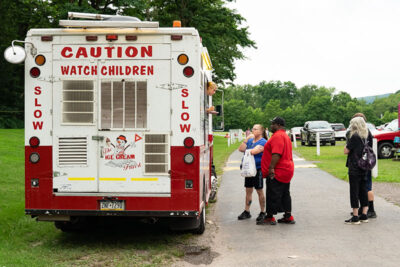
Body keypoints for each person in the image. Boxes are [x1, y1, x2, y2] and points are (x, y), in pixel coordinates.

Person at [259, 116, 295, 225]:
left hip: (279, 170)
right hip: (287, 169)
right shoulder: (284, 135)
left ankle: (270, 217)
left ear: (278, 125)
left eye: (273, 124)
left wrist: (271, 168)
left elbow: (276, 154)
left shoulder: (278, 136)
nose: (271, 126)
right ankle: (288, 216)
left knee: (272, 193)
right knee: (285, 193)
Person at [344, 116, 372, 224]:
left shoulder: (354, 136)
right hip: (364, 166)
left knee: (354, 191)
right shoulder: (366, 135)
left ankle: (355, 216)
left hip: (355, 166)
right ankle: (364, 214)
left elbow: (346, 151)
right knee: (363, 190)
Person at [237, 124, 268, 223]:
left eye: (255, 129)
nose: (253, 130)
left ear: (261, 131)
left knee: (259, 190)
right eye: (252, 129)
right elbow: (241, 149)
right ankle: (247, 211)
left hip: (257, 169)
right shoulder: (250, 140)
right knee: (248, 190)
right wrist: (246, 139)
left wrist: (249, 148)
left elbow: (254, 152)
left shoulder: (263, 142)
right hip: (248, 169)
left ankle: (263, 212)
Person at [349, 113, 377, 218]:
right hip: (367, 162)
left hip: (359, 163)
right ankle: (364, 209)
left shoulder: (357, 135)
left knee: (365, 187)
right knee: (364, 186)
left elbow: (348, 149)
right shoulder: (367, 133)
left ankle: (371, 209)